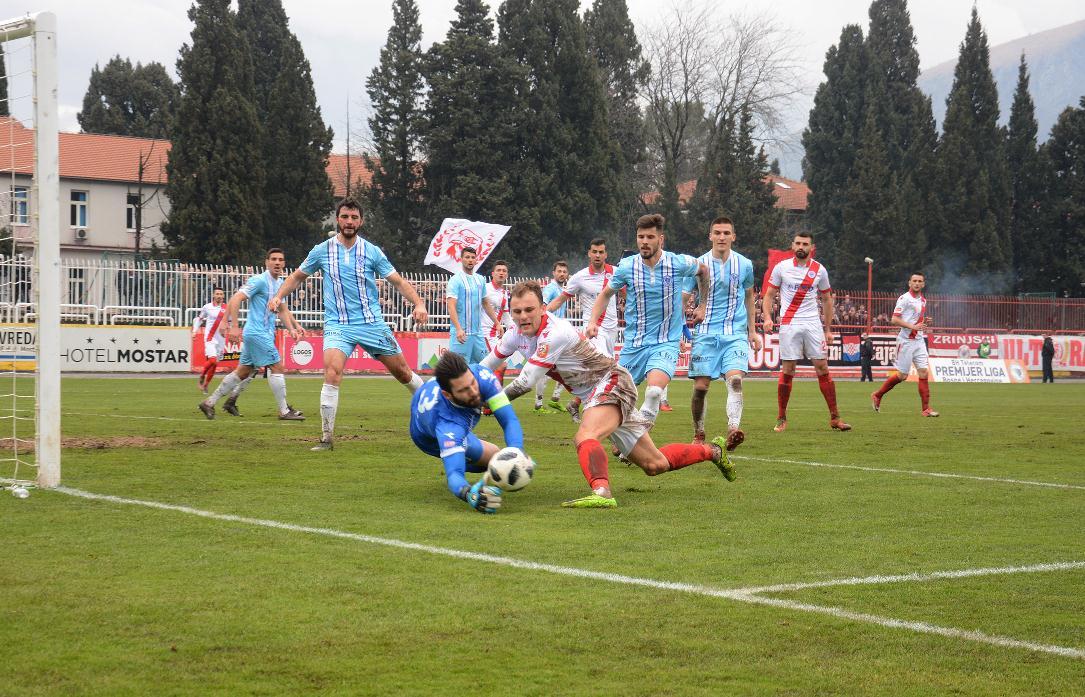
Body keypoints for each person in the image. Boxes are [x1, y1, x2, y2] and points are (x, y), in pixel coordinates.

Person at [484, 281, 734, 509]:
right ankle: (712, 451)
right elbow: (485, 367)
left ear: (543, 308)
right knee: (654, 464)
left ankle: (602, 491)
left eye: (529, 309)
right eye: (517, 312)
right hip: (597, 392)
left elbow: (526, 381)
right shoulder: (514, 334)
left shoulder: (555, 331)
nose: (523, 317)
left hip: (611, 382)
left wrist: (488, 403)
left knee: (586, 434)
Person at [270, 198, 430, 451]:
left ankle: (433, 409)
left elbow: (398, 281)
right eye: (345, 217)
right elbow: (297, 276)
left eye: (354, 218)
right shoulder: (321, 250)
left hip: (371, 323)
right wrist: (279, 295)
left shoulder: (372, 251)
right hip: (337, 325)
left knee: (403, 373)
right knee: (331, 372)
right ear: (338, 219)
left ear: (361, 221)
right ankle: (326, 438)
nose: (349, 222)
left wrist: (419, 303)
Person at [586, 215, 709, 421]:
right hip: (634, 344)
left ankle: (638, 436)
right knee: (614, 399)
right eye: (640, 236)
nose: (644, 241)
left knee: (653, 392)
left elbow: (703, 271)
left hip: (666, 343)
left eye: (650, 237)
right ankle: (628, 436)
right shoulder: (627, 266)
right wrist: (591, 322)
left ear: (661, 239)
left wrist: (703, 304)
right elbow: (606, 294)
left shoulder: (677, 262)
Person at [410, 352, 525, 514]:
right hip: (428, 437)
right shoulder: (447, 427)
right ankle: (464, 460)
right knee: (483, 463)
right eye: (464, 390)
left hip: (435, 407)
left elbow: (509, 420)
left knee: (500, 457)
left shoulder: (481, 376)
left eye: (472, 383)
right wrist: (467, 493)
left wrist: (517, 451)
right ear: (447, 394)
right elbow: (454, 474)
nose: (474, 391)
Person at [199, 248, 305, 421]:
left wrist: (293, 328)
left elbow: (283, 310)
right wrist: (233, 325)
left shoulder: (280, 284)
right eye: (273, 259)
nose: (277, 262)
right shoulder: (260, 280)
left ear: (284, 263)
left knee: (243, 372)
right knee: (277, 367)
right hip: (257, 332)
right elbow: (235, 298)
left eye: (280, 259)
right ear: (266, 262)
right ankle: (284, 411)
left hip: (262, 333)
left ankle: (209, 402)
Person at [682, 217, 761, 448]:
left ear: (733, 236)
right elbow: (684, 297)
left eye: (726, 232)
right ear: (710, 236)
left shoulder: (745, 264)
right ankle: (699, 433)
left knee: (735, 380)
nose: (722, 237)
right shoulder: (698, 264)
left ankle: (733, 429)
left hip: (734, 333)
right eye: (717, 232)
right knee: (700, 388)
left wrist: (752, 331)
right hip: (705, 333)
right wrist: (678, 330)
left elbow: (749, 297)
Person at [762, 232, 851, 432]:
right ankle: (781, 417)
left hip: (813, 324)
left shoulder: (819, 270)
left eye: (805, 244)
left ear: (812, 247)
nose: (801, 246)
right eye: (798, 243)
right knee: (788, 371)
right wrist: (767, 317)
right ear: (792, 246)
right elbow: (769, 295)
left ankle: (835, 417)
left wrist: (828, 330)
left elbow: (827, 299)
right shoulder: (781, 268)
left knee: (822, 368)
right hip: (789, 324)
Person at [547, 238, 623, 423]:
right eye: (594, 252)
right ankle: (597, 410)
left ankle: (576, 402)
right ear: (589, 253)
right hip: (593, 330)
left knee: (603, 372)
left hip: (612, 330)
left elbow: (627, 293)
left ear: (606, 254)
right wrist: (542, 313)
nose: (597, 255)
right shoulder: (580, 277)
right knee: (605, 370)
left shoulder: (616, 273)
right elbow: (561, 299)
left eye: (601, 252)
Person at [870, 273, 939, 417]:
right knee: (902, 376)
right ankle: (878, 394)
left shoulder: (923, 300)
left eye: (920, 281)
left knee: (924, 372)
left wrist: (925, 322)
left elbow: (916, 320)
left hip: (919, 341)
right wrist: (912, 327)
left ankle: (926, 409)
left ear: (923, 284)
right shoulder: (904, 299)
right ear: (909, 283)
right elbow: (894, 320)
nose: (917, 283)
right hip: (906, 341)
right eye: (914, 281)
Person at [446, 247, 500, 363]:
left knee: (483, 367)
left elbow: (485, 303)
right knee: (458, 370)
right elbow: (451, 306)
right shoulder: (455, 280)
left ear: (476, 260)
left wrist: (497, 323)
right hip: (461, 334)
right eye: (467, 257)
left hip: (477, 334)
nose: (470, 260)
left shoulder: (480, 279)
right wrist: (459, 329)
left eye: (473, 257)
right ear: (461, 259)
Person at [535, 260, 570, 414]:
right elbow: (543, 307)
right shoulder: (550, 289)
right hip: (549, 334)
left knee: (568, 367)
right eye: (559, 271)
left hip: (560, 334)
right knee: (544, 370)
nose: (562, 274)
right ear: (553, 273)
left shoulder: (563, 290)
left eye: (564, 271)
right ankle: (538, 405)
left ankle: (555, 399)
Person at [480, 259, 513, 384]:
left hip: (495, 335)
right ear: (492, 274)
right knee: (500, 366)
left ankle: (488, 398)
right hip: (484, 333)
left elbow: (506, 316)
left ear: (507, 275)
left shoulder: (505, 293)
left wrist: (516, 329)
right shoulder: (485, 289)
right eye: (498, 270)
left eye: (504, 271)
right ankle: (495, 398)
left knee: (490, 368)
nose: (501, 273)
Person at [192, 286, 227, 394]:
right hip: (210, 337)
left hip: (221, 339)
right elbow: (199, 319)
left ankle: (206, 385)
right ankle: (202, 375)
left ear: (223, 296)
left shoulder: (227, 308)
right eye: (217, 294)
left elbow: (229, 322)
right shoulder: (207, 307)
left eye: (221, 294)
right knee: (212, 360)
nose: (219, 296)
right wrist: (194, 331)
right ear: (213, 295)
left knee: (215, 364)